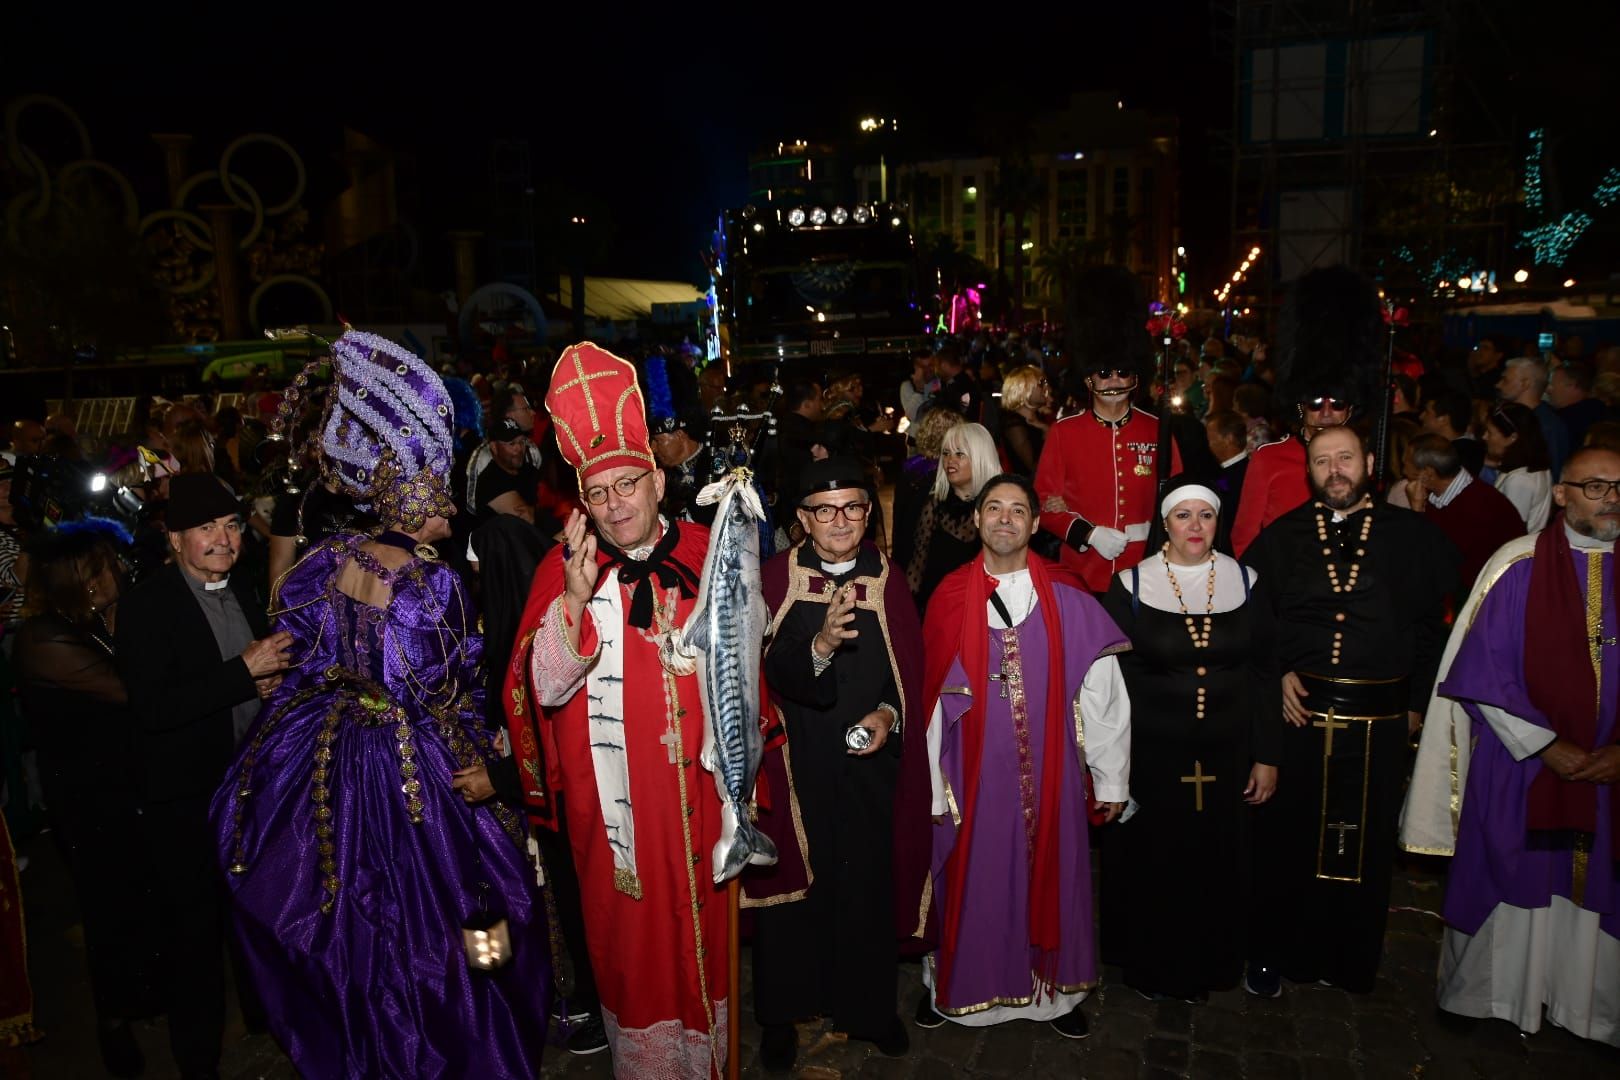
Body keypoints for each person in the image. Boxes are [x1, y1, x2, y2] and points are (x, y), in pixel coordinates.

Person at [210, 330, 551, 1077]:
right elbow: (442, 685)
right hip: (415, 768)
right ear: (421, 497)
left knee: (351, 918)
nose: (450, 510)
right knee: (478, 901)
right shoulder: (433, 585)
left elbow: (296, 638)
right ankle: (471, 1031)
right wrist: (485, 759)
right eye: (441, 498)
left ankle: (367, 1036)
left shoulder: (326, 561)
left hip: (330, 753)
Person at [503, 342, 728, 1078]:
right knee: (633, 954)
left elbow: (747, 672)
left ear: (657, 480)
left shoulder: (708, 551)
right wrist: (572, 601)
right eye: (599, 495)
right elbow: (544, 689)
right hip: (618, 821)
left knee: (708, 956)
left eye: (628, 485)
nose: (615, 505)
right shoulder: (562, 570)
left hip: (701, 800)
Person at [1403, 447, 1620, 1045]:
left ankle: (1588, 1012)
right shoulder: (1517, 563)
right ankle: (1497, 998)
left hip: (1611, 777)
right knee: (1513, 870)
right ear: (1561, 494)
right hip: (1520, 764)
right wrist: (1548, 746)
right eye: (1596, 486)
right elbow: (1483, 668)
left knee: (1600, 885)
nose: (1610, 499)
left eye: (1619, 487)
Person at [1242, 426, 1457, 994]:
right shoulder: (1284, 536)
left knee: (1361, 847)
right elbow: (1254, 621)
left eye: (1344, 458)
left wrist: (1414, 708)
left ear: (1367, 461)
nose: (1334, 470)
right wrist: (1279, 673)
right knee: (1285, 840)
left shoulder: (1413, 537)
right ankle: (1272, 951)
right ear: (1308, 471)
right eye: (1321, 461)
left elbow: (1427, 632)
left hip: (1379, 721)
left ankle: (1347, 956)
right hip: (1301, 716)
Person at [918, 473, 1132, 1038]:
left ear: (1036, 524)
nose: (1005, 519)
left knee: (1054, 875)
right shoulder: (949, 595)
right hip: (972, 774)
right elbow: (931, 699)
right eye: (994, 508)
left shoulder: (1066, 596)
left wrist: (1110, 781)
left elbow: (1103, 689)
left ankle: (1054, 996)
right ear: (978, 520)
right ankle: (956, 984)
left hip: (1053, 774)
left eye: (1018, 510)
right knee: (972, 880)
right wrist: (933, 785)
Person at [747, 458, 931, 1072]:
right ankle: (781, 1016)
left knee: (865, 888)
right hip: (792, 768)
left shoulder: (890, 578)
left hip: (867, 769)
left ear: (868, 513)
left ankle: (870, 1010)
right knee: (789, 897)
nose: (841, 521)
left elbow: (909, 674)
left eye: (854, 507)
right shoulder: (775, 578)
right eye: (825, 510)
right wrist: (819, 646)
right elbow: (761, 675)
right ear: (803, 519)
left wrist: (888, 715)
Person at [115, 473, 290, 1079]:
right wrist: (243, 672)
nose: (224, 538)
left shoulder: (240, 585)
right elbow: (155, 707)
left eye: (232, 525)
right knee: (193, 934)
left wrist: (264, 683)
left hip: (249, 787)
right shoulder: (147, 604)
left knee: (258, 912)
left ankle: (271, 1024)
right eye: (207, 528)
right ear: (175, 539)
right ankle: (198, 1060)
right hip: (186, 799)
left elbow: (246, 676)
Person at [1099, 485, 1280, 1003]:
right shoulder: (1130, 584)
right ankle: (1153, 965)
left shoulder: (1246, 581)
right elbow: (1108, 680)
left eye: (1205, 515)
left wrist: (1267, 754)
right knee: (1155, 862)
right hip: (1151, 758)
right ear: (1165, 523)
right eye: (1183, 515)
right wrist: (1112, 764)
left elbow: (1266, 672)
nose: (1195, 526)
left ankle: (1215, 961)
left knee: (1218, 862)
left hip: (1228, 757)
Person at [12, 524, 158, 1075]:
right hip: (85, 799)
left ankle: (142, 997)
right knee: (105, 910)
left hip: (121, 785)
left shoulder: (91, 622)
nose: (116, 571)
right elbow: (130, 689)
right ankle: (112, 1024)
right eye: (102, 567)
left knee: (136, 896)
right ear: (79, 580)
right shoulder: (42, 638)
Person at [1036, 266, 1179, 592]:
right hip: (1084, 570)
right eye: (1104, 372)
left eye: (1123, 371)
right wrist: (1088, 533)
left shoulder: (1156, 429)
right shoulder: (1065, 431)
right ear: (1088, 378)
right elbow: (1043, 503)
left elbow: (1178, 498)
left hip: (1148, 570)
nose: (1114, 380)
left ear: (1136, 377)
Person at [1230, 267, 1384, 557]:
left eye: (1337, 402)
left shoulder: (1363, 458)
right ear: (1299, 406)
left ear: (1351, 407)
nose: (1326, 412)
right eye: (1315, 403)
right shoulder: (1269, 459)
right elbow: (1245, 540)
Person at [1401, 434, 1526, 590]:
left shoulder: (1479, 509)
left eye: (1406, 465)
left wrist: (1417, 511)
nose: (1403, 471)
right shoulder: (1442, 494)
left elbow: (1430, 561)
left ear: (1427, 474)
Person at [903, 421, 998, 611]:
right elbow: (917, 567)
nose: (950, 460)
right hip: (938, 607)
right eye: (946, 453)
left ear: (980, 458)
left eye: (959, 454)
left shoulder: (997, 507)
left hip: (985, 609)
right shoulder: (934, 506)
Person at [1483, 402, 1553, 533]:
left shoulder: (1519, 480)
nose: (1484, 437)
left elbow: (1511, 530)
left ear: (1512, 437)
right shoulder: (1537, 466)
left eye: (1490, 432)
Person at [1497, 355, 1570, 479]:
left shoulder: (1547, 426)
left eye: (1505, 380)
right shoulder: (1509, 416)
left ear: (1525, 384)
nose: (1498, 385)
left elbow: (1554, 474)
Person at [1204, 410, 1250, 553]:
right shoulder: (1227, 472)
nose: (1208, 444)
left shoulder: (1243, 474)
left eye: (1211, 438)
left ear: (1228, 439)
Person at [997, 365, 1051, 476]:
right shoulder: (1013, 424)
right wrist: (1047, 431)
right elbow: (1034, 469)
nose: (1047, 388)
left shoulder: (1039, 417)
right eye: (1041, 384)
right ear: (1024, 389)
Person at [1420, 390, 1486, 477]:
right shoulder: (1473, 449)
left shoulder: (1456, 456)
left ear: (1443, 419)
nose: (1421, 416)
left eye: (1427, 412)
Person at [1550, 360, 1607, 457]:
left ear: (1572, 385)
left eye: (1553, 385)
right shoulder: (1601, 411)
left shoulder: (1565, 422)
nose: (1549, 390)